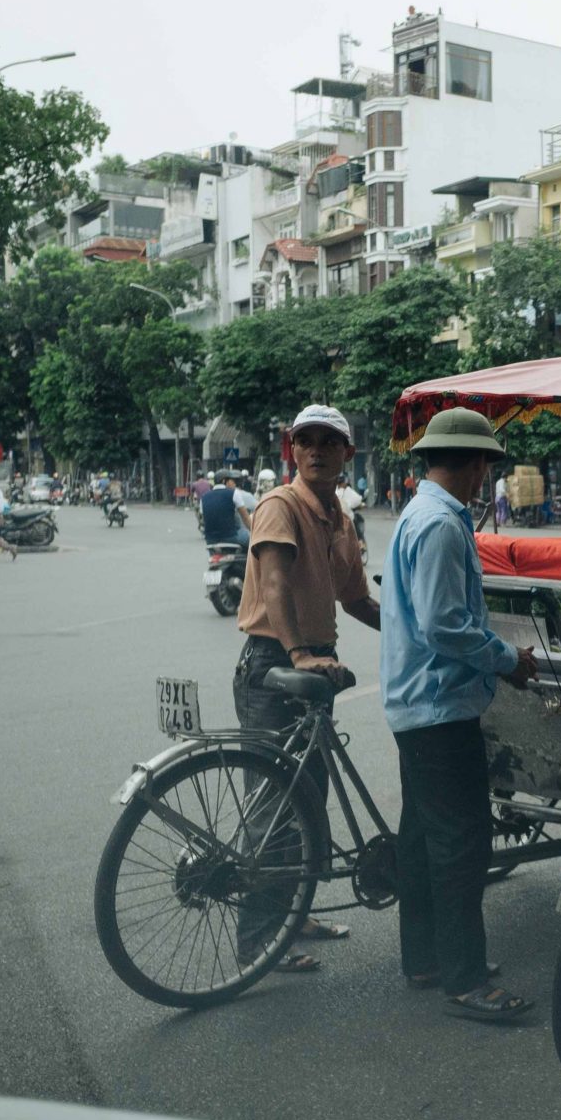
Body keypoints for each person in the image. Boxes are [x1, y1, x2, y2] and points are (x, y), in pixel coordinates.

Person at [382, 408, 539, 1021]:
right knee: (460, 845)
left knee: (423, 839)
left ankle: (427, 957)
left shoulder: (420, 514)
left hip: (417, 703)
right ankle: (467, 979)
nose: (484, 479)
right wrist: (506, 660)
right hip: (439, 706)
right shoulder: (442, 525)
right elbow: (445, 624)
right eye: (484, 466)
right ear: (475, 463)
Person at [232, 404, 381, 973]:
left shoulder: (339, 516)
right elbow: (273, 584)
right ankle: (257, 939)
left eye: (330, 442)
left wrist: (411, 633)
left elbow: (356, 600)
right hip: (276, 663)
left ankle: (294, 911)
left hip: (316, 666)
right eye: (306, 441)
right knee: (273, 808)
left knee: (308, 803)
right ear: (291, 449)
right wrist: (299, 653)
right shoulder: (280, 505)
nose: (317, 450)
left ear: (348, 453)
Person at [200, 473, 254, 548]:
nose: (234, 483)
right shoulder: (234, 493)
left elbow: (203, 518)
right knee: (253, 540)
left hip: (210, 540)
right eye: (232, 481)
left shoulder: (203, 497)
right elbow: (246, 518)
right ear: (224, 481)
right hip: (231, 537)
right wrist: (254, 531)